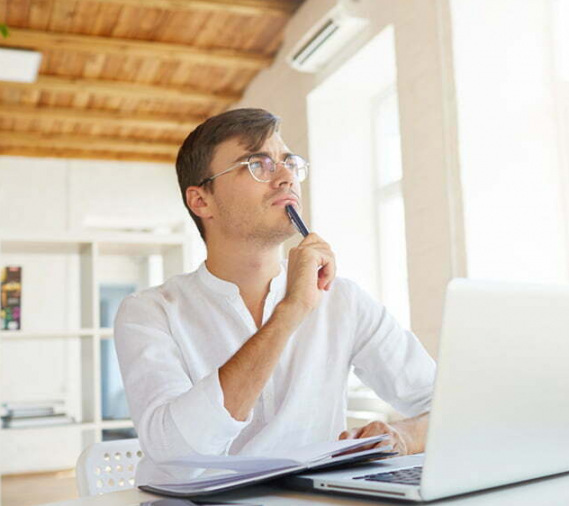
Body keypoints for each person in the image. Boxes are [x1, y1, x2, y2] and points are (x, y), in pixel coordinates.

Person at [114, 108, 436, 485]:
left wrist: (404, 437)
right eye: (258, 164)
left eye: (288, 162)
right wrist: (290, 314)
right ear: (201, 201)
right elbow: (177, 452)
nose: (285, 177)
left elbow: (448, 403)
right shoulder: (150, 312)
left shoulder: (343, 300)